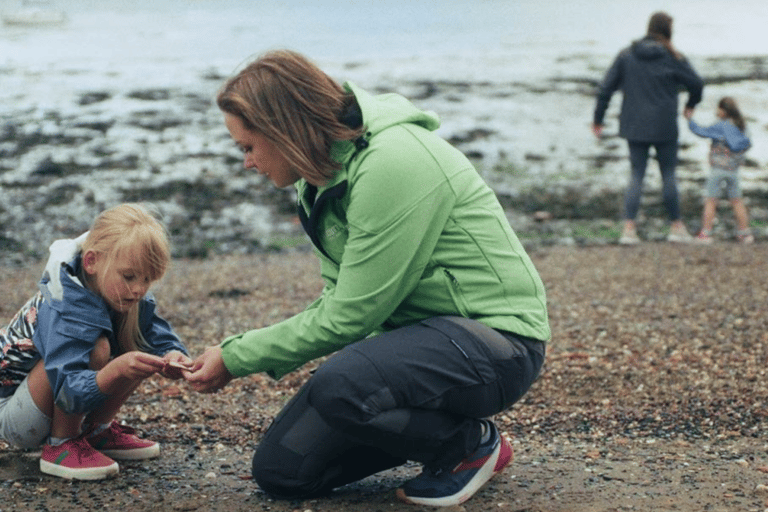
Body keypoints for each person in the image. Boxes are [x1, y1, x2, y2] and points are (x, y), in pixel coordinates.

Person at [185, 49, 549, 508]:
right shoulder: (317, 180)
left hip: (498, 344)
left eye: (247, 147)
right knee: (284, 472)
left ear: (283, 130)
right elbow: (337, 298)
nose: (247, 163)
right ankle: (429, 431)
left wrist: (236, 356)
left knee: (341, 385)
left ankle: (468, 447)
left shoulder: (391, 162)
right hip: (421, 347)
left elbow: (352, 315)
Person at [0, 203, 191, 480]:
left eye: (147, 279)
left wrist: (174, 354)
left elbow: (155, 335)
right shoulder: (66, 305)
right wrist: (115, 371)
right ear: (91, 262)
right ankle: (62, 444)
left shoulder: (123, 291)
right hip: (13, 412)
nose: (138, 288)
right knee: (97, 348)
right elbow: (66, 385)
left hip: (48, 398)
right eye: (129, 276)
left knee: (136, 343)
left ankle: (96, 431)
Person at [592, 11, 704, 245]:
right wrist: (690, 105)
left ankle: (629, 230)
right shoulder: (673, 56)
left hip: (634, 126)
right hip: (665, 126)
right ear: (667, 31)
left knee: (636, 175)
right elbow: (697, 83)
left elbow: (605, 89)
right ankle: (676, 227)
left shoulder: (627, 55)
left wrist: (598, 119)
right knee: (669, 175)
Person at [685, 97, 753, 244]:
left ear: (724, 111)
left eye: (719, 108)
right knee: (737, 201)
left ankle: (706, 233)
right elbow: (747, 144)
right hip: (734, 170)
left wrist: (690, 119)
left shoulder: (721, 126)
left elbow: (700, 131)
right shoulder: (742, 126)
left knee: (711, 200)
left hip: (718, 169)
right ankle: (744, 232)